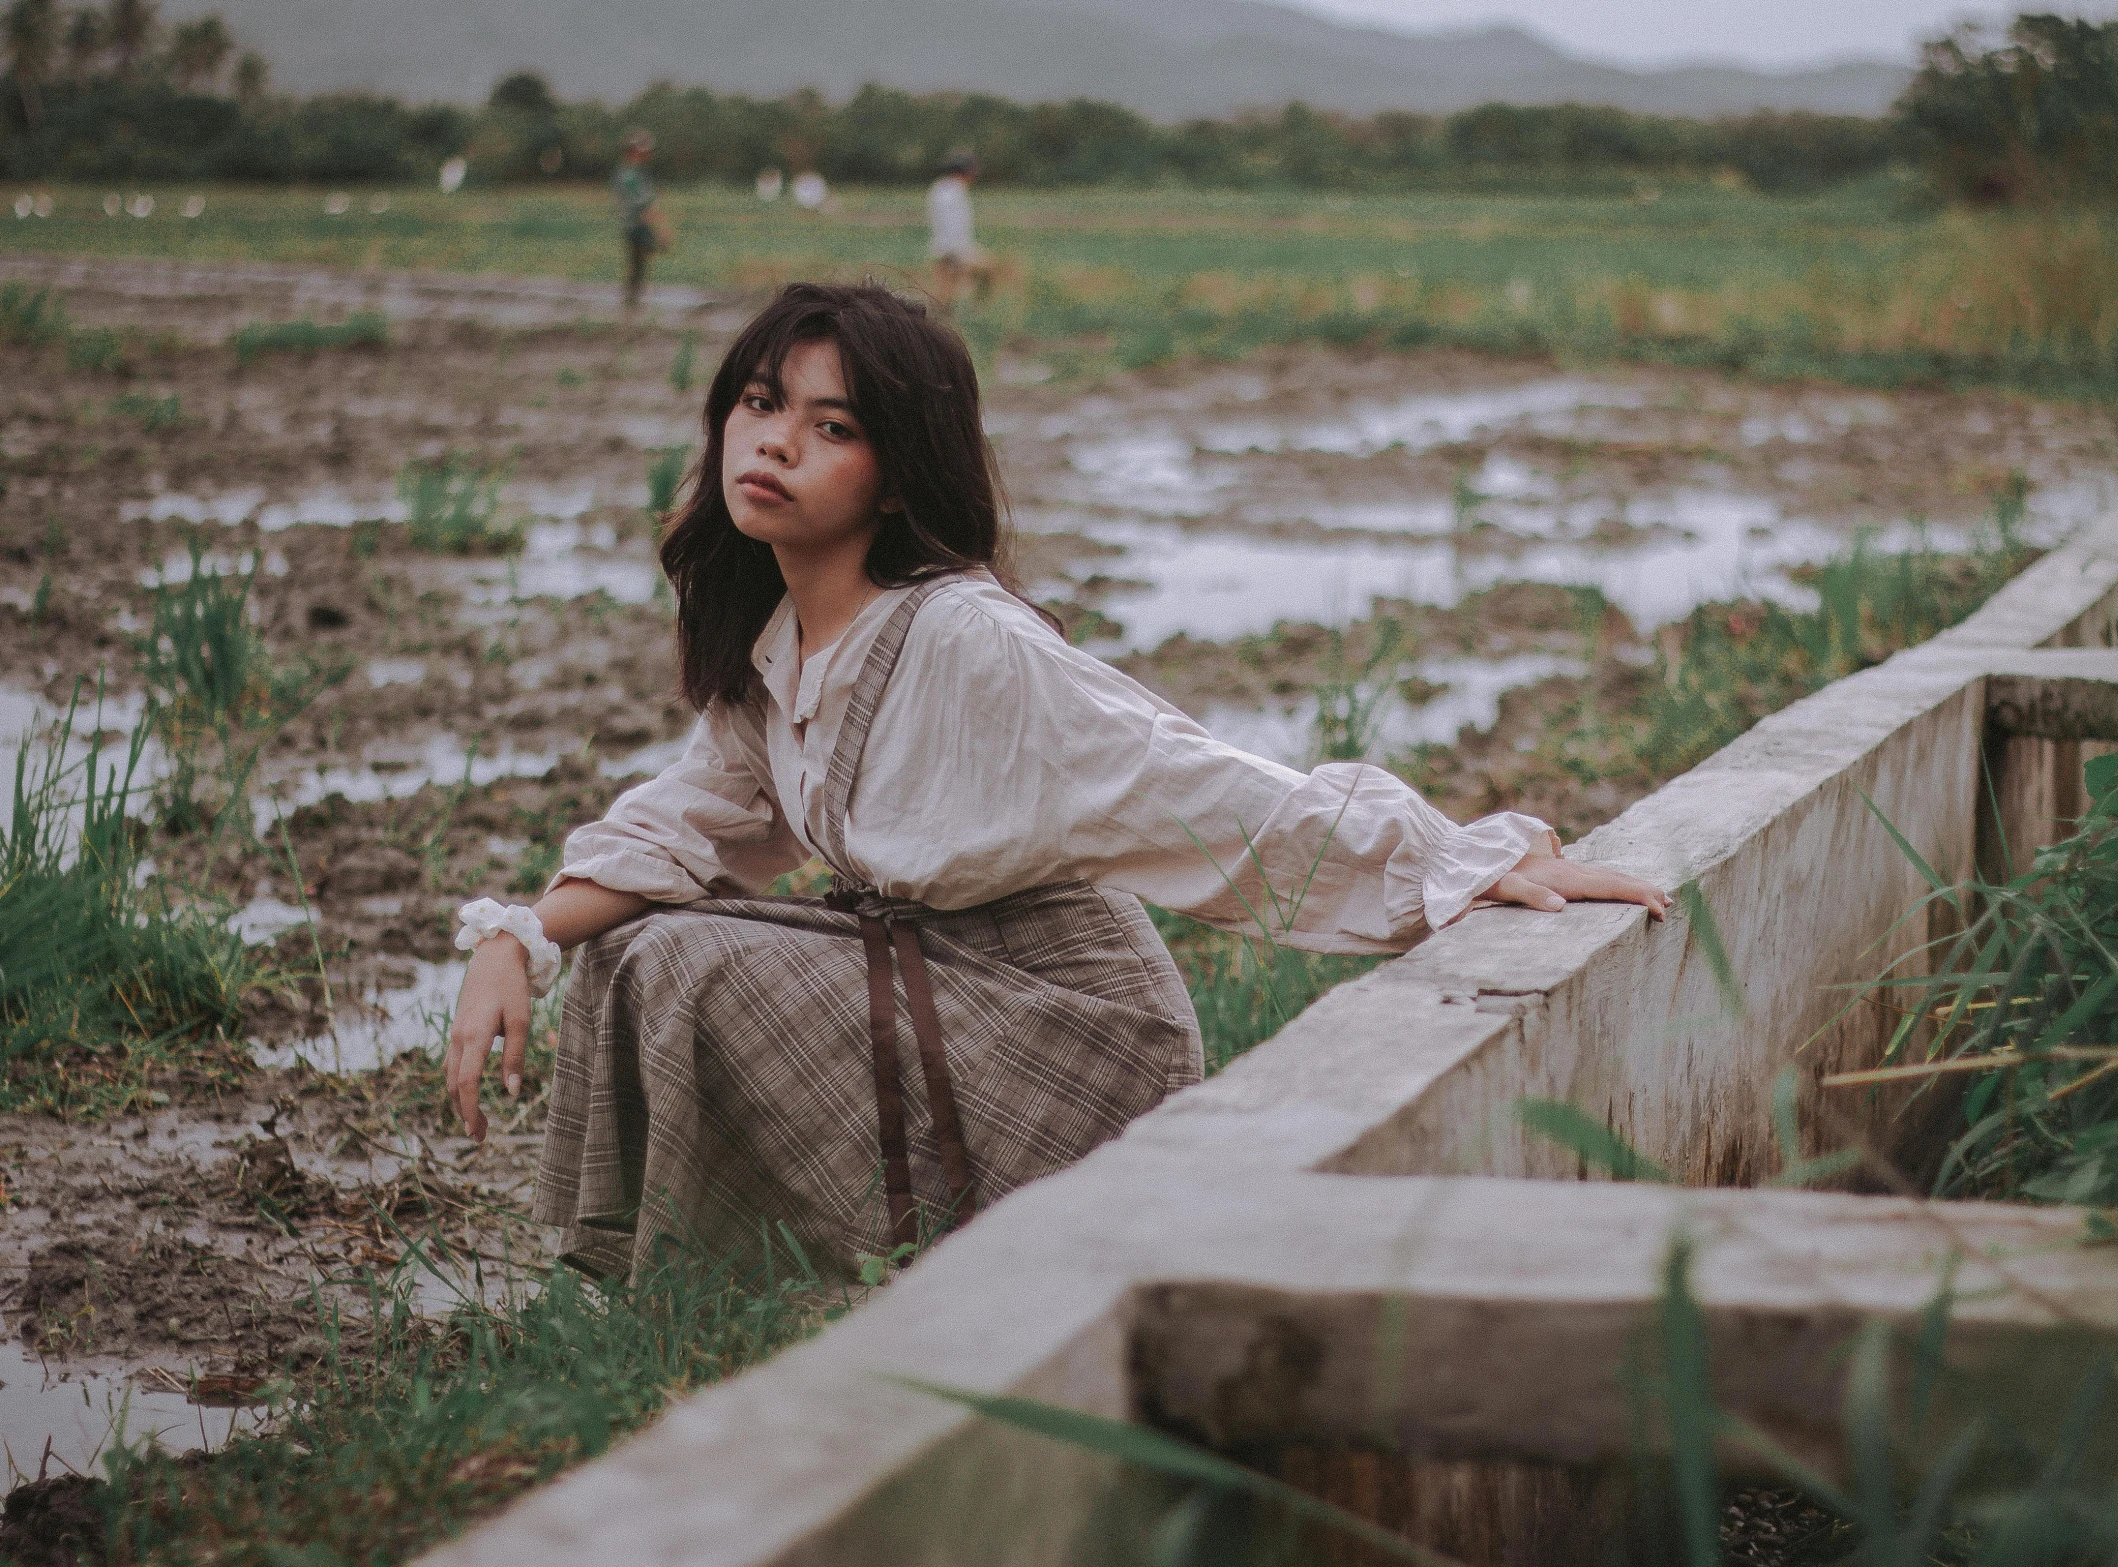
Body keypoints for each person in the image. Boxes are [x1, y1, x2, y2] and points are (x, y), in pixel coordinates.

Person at [445, 283, 1673, 1280]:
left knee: (681, 957)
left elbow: (1198, 788)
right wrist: (516, 937)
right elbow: (683, 830)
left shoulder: (965, 640)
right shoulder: (779, 650)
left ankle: (768, 1272)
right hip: (937, 998)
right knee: (631, 940)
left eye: (835, 426)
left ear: (897, 470)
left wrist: (1459, 861)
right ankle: (697, 1281)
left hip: (1077, 1038)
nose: (775, 441)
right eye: (762, 403)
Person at [925, 150, 990, 310]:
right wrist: (959, 253)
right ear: (965, 172)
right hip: (954, 249)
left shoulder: (939, 188)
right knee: (987, 271)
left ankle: (947, 315)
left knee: (945, 291)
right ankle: (975, 309)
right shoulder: (956, 192)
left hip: (940, 246)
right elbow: (955, 225)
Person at [615, 128, 662, 312]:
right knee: (637, 262)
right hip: (636, 224)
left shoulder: (635, 173)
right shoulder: (629, 175)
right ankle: (631, 300)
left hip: (638, 223)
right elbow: (640, 204)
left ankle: (633, 298)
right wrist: (658, 228)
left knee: (639, 262)